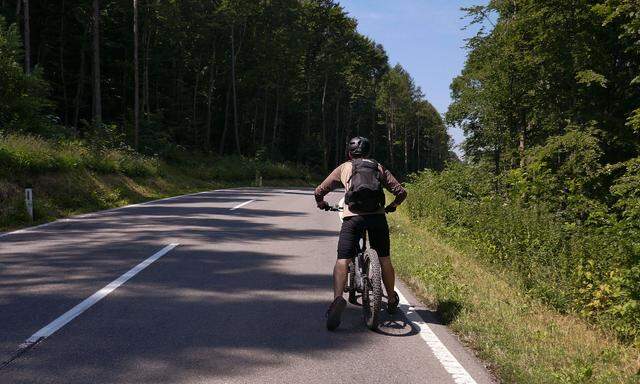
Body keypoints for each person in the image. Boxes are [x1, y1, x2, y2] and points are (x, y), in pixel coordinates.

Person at [314, 136, 407, 330]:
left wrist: (321, 203)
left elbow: (319, 191)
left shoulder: (344, 168)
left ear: (350, 153)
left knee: (342, 260)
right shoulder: (377, 167)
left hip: (352, 219)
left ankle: (338, 299)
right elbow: (401, 192)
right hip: (377, 218)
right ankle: (390, 299)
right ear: (368, 152)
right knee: (384, 259)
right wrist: (393, 206)